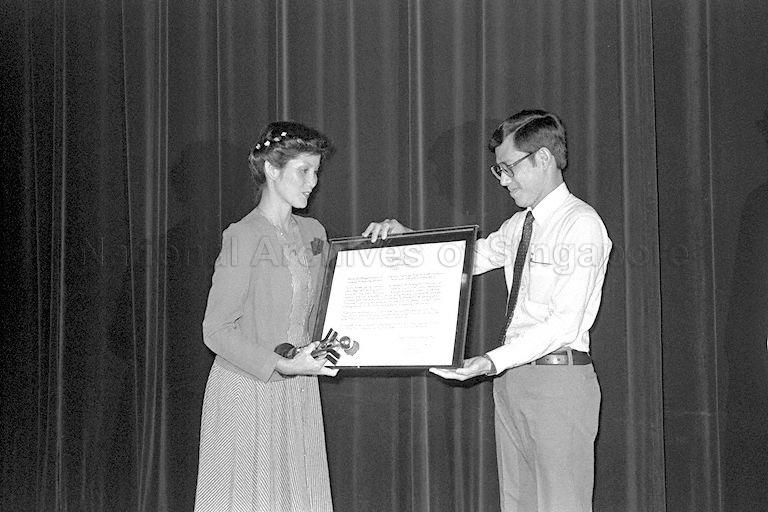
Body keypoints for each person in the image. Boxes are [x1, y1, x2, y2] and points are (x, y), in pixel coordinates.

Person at [364, 109, 612, 512]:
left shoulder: (580, 225)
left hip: (558, 382)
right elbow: (468, 257)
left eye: (508, 169)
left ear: (544, 159)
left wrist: (488, 362)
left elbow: (563, 322)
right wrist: (405, 238)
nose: (504, 181)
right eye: (499, 171)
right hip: (513, 381)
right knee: (517, 505)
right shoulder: (518, 225)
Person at [195, 121, 338, 512]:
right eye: (303, 171)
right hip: (247, 390)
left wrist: (385, 243)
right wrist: (280, 364)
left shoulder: (313, 231)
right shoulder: (241, 236)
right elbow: (216, 330)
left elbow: (332, 300)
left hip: (298, 390)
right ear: (272, 171)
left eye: (316, 172)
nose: (312, 182)